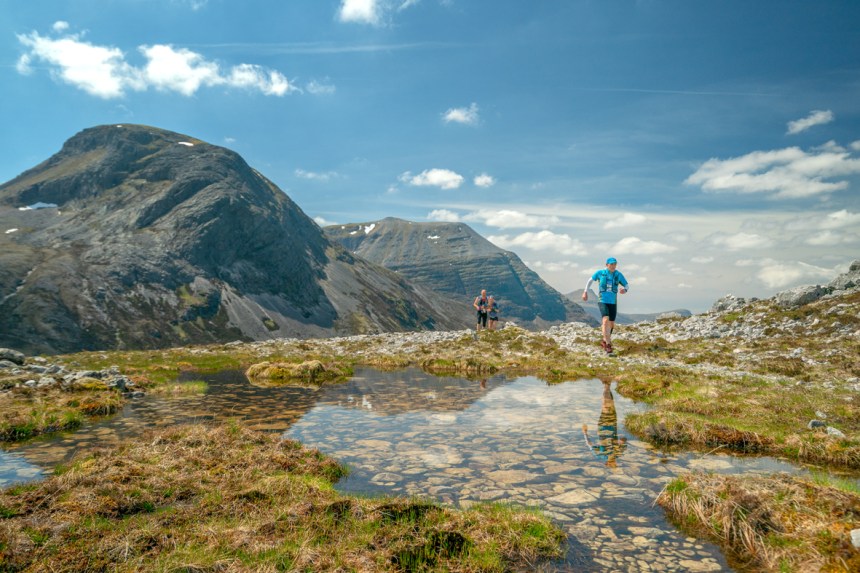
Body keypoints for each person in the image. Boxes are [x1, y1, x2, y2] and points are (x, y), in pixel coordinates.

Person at [582, 257, 629, 354]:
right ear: (606, 265)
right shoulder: (600, 273)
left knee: (611, 324)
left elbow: (627, 285)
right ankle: (608, 344)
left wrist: (625, 290)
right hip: (602, 300)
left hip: (613, 302)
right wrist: (585, 292)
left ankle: (604, 340)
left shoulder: (618, 275)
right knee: (605, 320)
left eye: (614, 264)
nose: (613, 266)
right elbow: (590, 280)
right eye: (611, 264)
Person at [582, 380, 628, 468]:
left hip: (602, 427)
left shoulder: (600, 455)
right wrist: (621, 441)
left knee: (605, 406)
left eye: (612, 465)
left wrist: (585, 433)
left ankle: (606, 385)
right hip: (613, 425)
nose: (614, 463)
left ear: (606, 463)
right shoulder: (618, 453)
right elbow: (624, 439)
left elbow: (589, 445)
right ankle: (607, 385)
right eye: (615, 464)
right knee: (611, 405)